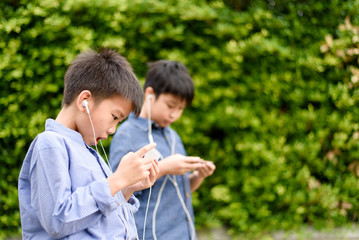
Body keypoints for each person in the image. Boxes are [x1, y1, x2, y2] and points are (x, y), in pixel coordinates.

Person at [18, 48, 160, 239]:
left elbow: (97, 220)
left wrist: (127, 187)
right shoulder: (50, 144)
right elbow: (58, 220)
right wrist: (117, 180)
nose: (112, 130)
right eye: (114, 117)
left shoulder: (90, 152)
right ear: (85, 100)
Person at [109, 60, 216, 240]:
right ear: (150, 94)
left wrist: (198, 176)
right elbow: (118, 192)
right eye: (170, 106)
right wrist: (164, 167)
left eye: (181, 109)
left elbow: (179, 189)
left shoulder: (173, 136)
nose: (174, 114)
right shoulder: (127, 134)